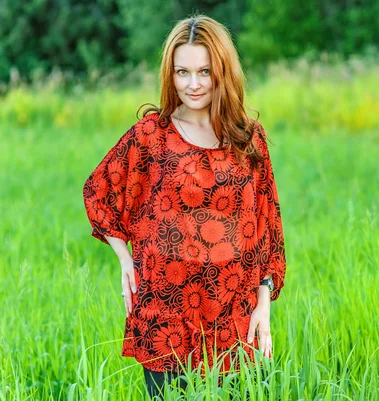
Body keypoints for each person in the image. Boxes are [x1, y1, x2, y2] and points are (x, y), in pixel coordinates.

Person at [82, 14, 286, 400]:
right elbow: (98, 189)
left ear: (222, 72)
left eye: (204, 71)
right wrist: (125, 259)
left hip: (234, 312)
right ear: (170, 74)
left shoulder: (248, 139)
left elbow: (266, 225)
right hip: (165, 310)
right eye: (182, 72)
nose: (193, 84)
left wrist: (264, 306)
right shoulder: (151, 136)